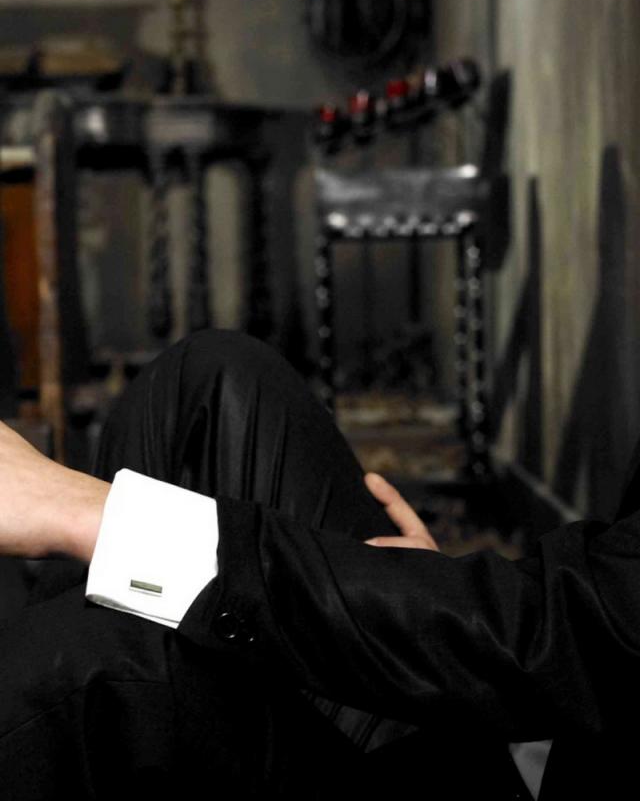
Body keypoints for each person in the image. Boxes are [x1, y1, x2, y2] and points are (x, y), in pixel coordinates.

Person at [0, 329, 637, 798]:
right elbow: (594, 631)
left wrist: (102, 518)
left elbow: (573, 642)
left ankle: (47, 721)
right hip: (545, 716)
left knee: (110, 663)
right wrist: (448, 596)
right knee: (212, 380)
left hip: (541, 712)